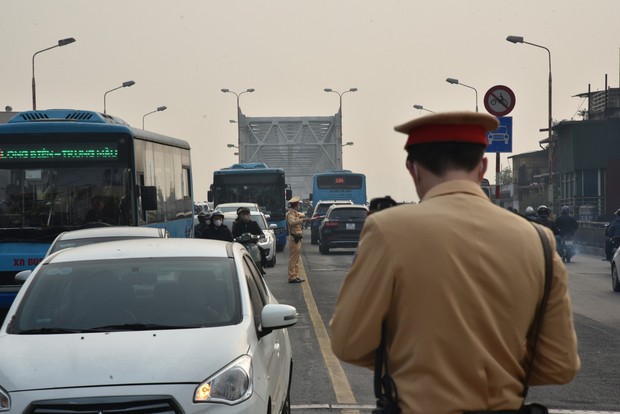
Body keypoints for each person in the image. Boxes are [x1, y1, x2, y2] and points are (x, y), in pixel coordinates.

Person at [329, 111, 580, 413]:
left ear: (413, 169)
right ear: (482, 167)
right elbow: (560, 365)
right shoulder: (538, 239)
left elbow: (348, 343)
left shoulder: (386, 230)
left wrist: (412, 365)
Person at [286, 196, 310, 284]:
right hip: (294, 239)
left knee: (296, 259)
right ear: (296, 205)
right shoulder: (290, 214)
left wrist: (306, 217)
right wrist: (302, 220)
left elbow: (300, 214)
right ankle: (291, 277)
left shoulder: (295, 213)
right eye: (298, 204)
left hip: (298, 238)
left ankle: (295, 275)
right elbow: (291, 222)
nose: (299, 206)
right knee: (293, 259)